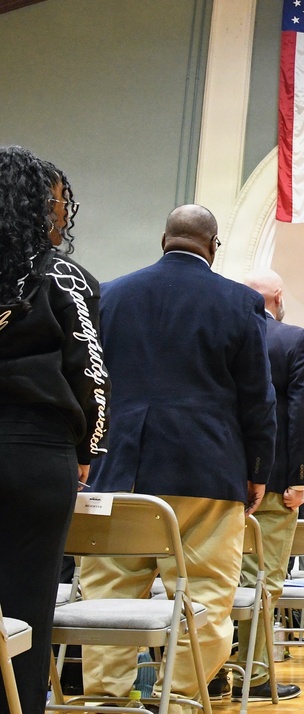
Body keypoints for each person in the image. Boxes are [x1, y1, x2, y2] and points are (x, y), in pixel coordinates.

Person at [81, 204, 276, 709]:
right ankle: (180, 698)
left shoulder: (110, 295)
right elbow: (258, 397)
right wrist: (258, 471)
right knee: (205, 597)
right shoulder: (239, 303)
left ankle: (107, 702)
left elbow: (89, 387)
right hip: (205, 471)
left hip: (118, 467)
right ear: (214, 246)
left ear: (162, 239)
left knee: (108, 593)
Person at [0, 146, 108, 714]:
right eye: (58, 202)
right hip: (35, 449)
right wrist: (89, 445)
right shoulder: (62, 277)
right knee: (26, 602)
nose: (64, 214)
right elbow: (90, 368)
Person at [208, 268, 304, 701]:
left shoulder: (219, 334)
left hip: (220, 479)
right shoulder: (292, 338)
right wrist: (298, 480)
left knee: (216, 581)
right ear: (279, 297)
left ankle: (212, 672)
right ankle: (252, 677)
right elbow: (298, 412)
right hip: (270, 481)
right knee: (263, 581)